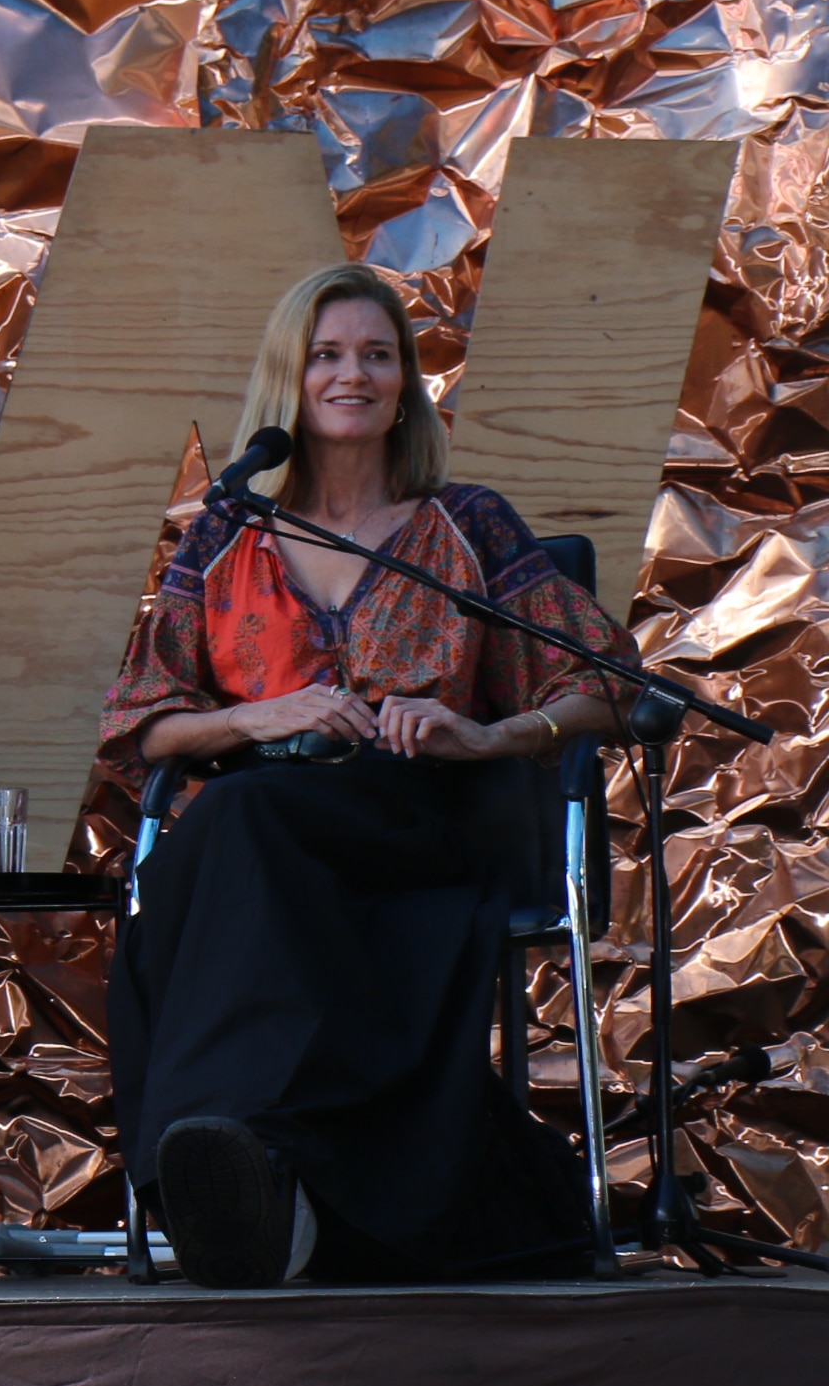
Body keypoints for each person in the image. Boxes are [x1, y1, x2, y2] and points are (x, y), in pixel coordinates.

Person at [104, 261, 626, 1287]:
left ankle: (237, 1153)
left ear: (406, 383)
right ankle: (265, 1190)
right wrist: (265, 712)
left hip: (421, 819)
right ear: (289, 380)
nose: (355, 374)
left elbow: (608, 689)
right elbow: (139, 725)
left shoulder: (465, 523)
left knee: (237, 830)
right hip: (263, 832)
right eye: (329, 355)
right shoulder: (225, 533)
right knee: (228, 836)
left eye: (378, 355)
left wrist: (486, 736)